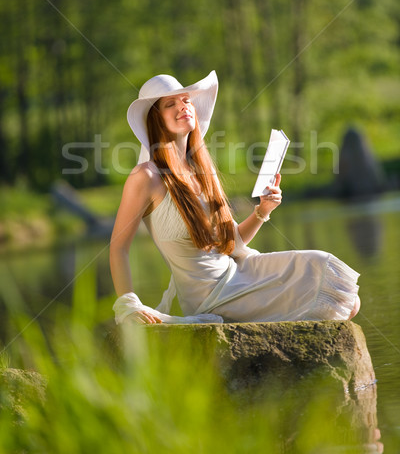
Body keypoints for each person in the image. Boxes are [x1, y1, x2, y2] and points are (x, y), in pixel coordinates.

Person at [110, 70, 360, 325]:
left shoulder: (203, 171)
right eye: (170, 104)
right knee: (339, 302)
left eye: (186, 100)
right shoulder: (146, 176)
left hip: (238, 271)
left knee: (334, 281)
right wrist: (129, 304)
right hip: (212, 295)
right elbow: (119, 248)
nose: (183, 106)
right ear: (156, 119)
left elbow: (232, 245)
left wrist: (263, 211)